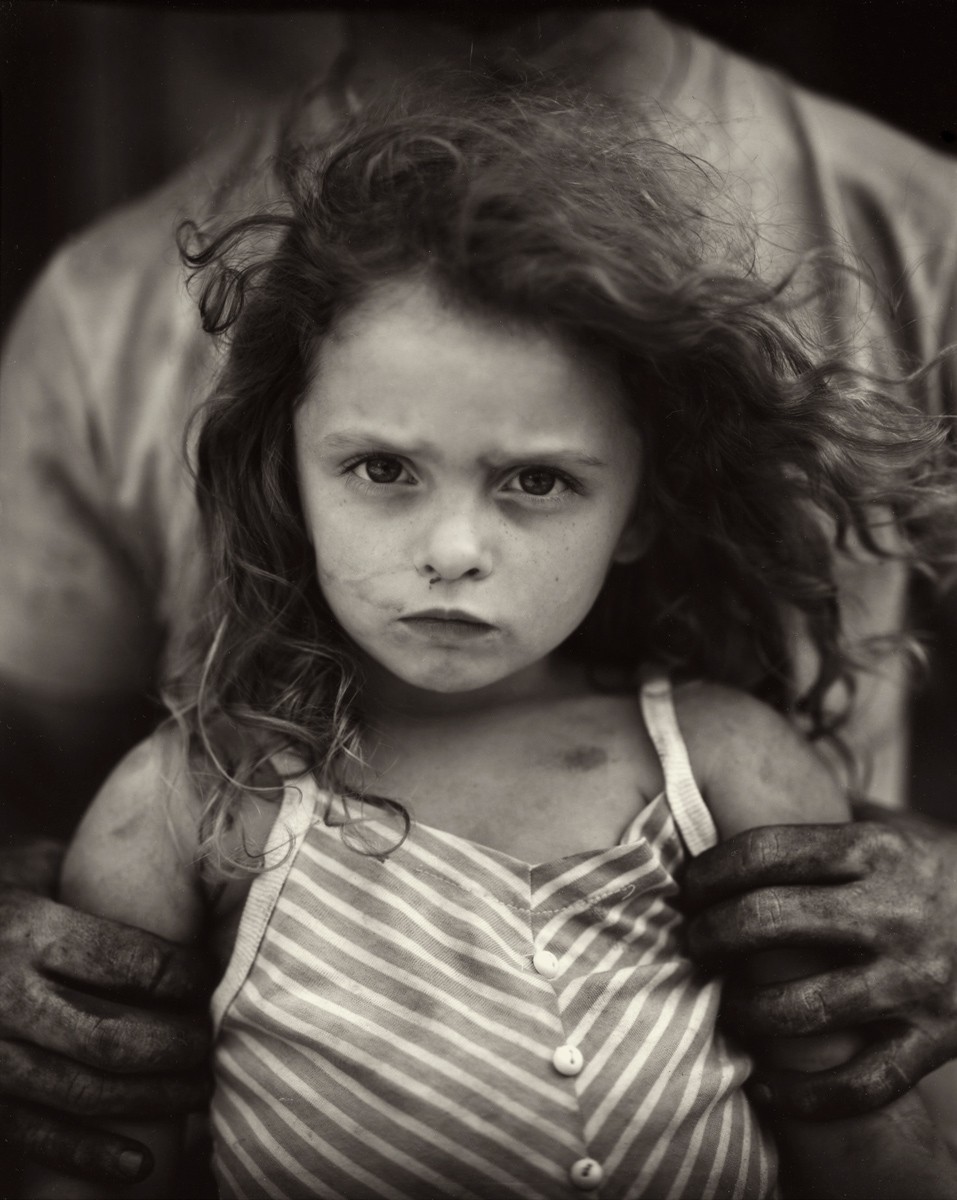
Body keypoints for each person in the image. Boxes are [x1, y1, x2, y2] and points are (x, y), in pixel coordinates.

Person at [2, 7, 956, 1186]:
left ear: (644, 502)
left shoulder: (730, 770)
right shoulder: (188, 806)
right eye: (382, 470)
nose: (453, 548)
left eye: (540, 481)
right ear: (281, 472)